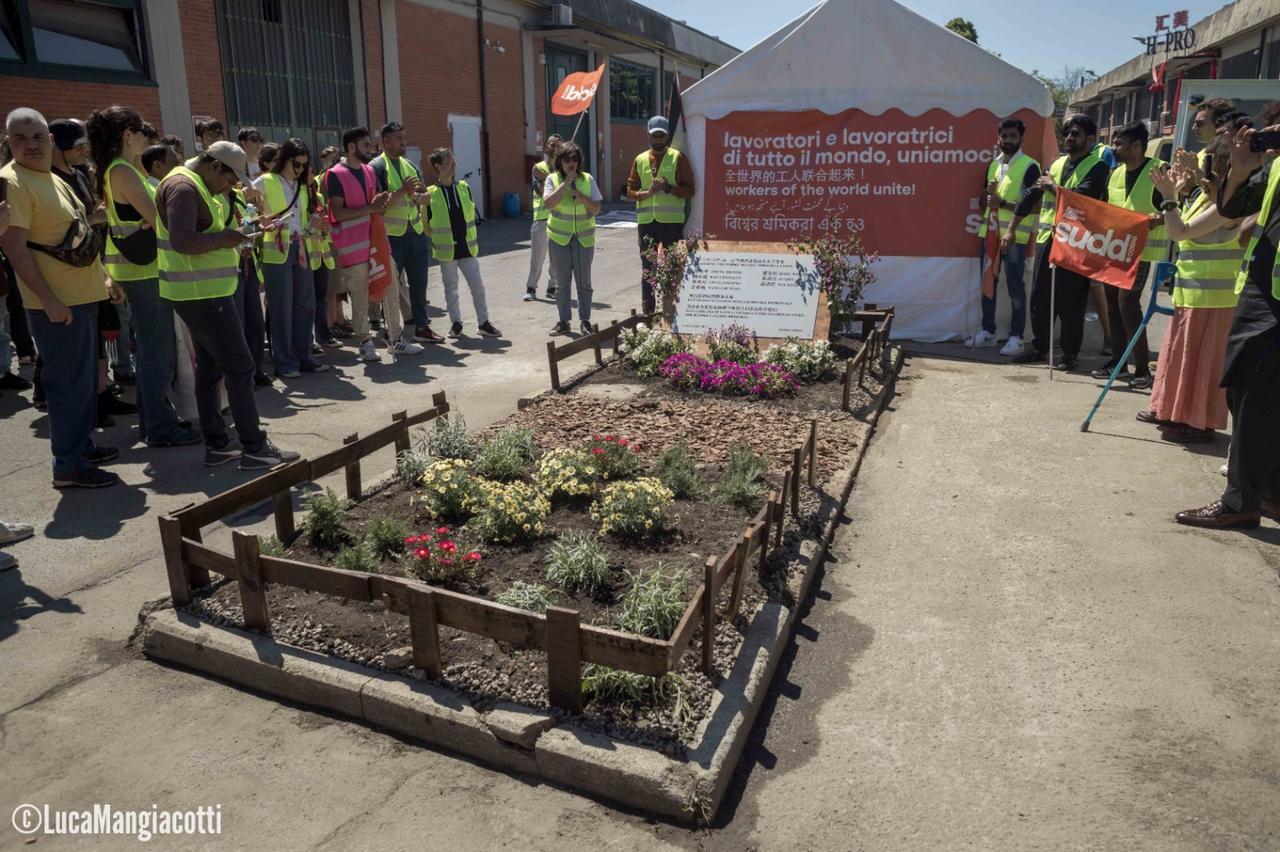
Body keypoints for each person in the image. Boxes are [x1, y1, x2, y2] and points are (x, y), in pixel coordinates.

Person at [155, 140, 298, 470]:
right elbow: (184, 241)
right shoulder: (184, 187)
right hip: (202, 294)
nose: (229, 187)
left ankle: (219, 445)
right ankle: (254, 447)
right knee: (241, 366)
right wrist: (230, 238)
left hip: (200, 292)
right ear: (214, 165)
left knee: (211, 369)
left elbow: (202, 233)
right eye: (229, 179)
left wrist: (238, 232)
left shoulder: (191, 183)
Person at [0, 108, 120, 488]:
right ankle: (68, 465)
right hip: (57, 306)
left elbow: (79, 231)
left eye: (37, 137)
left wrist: (104, 277)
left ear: (51, 141)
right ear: (9, 144)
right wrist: (50, 300)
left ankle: (80, 448)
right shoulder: (12, 182)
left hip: (82, 298)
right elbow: (15, 248)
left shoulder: (52, 178)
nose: (31, 145)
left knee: (84, 382)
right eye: (20, 138)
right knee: (67, 386)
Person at [1176, 108, 1280, 528]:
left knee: (1255, 394)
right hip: (1262, 292)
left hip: (1270, 306)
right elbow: (1235, 205)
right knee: (1248, 392)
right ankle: (1268, 494)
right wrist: (1239, 170)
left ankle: (1241, 501)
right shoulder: (1273, 168)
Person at [89, 106, 200, 447]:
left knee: (155, 348)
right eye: (139, 132)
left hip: (137, 268)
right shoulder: (122, 171)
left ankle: (157, 421)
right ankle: (159, 426)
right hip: (143, 270)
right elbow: (158, 218)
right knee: (157, 350)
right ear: (128, 135)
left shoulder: (117, 169)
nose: (143, 138)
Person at [1140, 139, 1243, 443]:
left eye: (1208, 166)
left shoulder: (1229, 205)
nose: (1201, 172)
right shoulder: (1208, 199)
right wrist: (1181, 192)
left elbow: (1179, 231)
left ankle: (1199, 421)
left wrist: (1169, 198)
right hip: (1192, 295)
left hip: (1215, 300)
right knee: (1180, 357)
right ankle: (1173, 410)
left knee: (1202, 365)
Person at [1011, 114, 1112, 371]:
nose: (1069, 138)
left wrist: (1052, 187)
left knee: (1071, 301)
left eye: (1075, 133)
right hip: (1049, 240)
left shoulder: (1097, 167)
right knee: (1040, 298)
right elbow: (1032, 193)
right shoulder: (1057, 164)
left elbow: (1082, 198)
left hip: (1077, 244)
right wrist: (1012, 226)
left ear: (1090, 139)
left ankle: (1070, 354)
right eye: (1067, 133)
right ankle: (1039, 347)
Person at [327, 126, 420, 360]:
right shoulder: (335, 174)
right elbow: (337, 213)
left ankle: (396, 339)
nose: (370, 148)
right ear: (351, 147)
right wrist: (371, 207)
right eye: (365, 145)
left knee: (391, 285)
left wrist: (390, 198)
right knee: (359, 295)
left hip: (376, 240)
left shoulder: (369, 171)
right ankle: (365, 341)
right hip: (352, 246)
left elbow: (380, 204)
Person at [1098, 121, 1167, 389]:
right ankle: (1118, 363)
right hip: (1115, 250)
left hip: (1143, 252)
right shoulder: (1115, 174)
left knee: (1128, 304)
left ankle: (1141, 369)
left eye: (1119, 144)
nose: (1115, 148)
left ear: (1137, 145)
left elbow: (1179, 207)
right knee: (1113, 304)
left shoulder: (1159, 171)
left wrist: (1158, 219)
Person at [259, 137, 330, 378]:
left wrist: (312, 225)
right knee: (281, 308)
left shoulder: (301, 187)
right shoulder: (265, 181)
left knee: (305, 304)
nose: (300, 170)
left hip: (301, 247)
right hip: (276, 252)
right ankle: (285, 361)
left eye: (304, 165)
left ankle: (304, 356)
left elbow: (301, 220)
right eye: (296, 164)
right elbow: (249, 215)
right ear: (285, 159)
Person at [970, 118, 1039, 355]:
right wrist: (987, 198)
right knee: (988, 282)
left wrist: (1003, 202)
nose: (1007, 141)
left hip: (1015, 236)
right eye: (1004, 136)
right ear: (998, 138)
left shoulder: (1030, 166)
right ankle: (988, 331)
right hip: (989, 234)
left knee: (1015, 287)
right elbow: (984, 203)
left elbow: (1035, 206)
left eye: (1012, 136)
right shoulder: (994, 165)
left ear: (1021, 138)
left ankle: (1017, 336)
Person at [371, 122, 443, 345]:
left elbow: (422, 196)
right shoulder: (376, 167)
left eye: (404, 137)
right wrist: (402, 190)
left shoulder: (410, 165)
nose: (403, 142)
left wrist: (422, 198)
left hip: (416, 232)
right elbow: (378, 206)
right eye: (398, 138)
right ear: (385, 142)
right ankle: (390, 330)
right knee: (390, 286)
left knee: (419, 283)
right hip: (392, 236)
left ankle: (421, 327)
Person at [425, 147, 500, 340]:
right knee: (451, 288)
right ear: (438, 166)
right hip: (446, 251)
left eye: (454, 161)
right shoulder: (430, 194)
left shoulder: (464, 188)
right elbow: (425, 225)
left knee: (478, 286)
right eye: (449, 162)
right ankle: (456, 324)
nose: (454, 165)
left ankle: (484, 323)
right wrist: (440, 239)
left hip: (467, 248)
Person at [627, 115, 695, 315]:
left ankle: (673, 311)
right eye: (655, 136)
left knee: (674, 268)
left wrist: (668, 187)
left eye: (661, 136)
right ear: (649, 135)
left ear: (667, 137)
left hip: (671, 224)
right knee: (648, 269)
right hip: (647, 223)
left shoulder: (677, 157)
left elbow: (690, 190)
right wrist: (645, 194)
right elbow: (630, 191)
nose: (658, 140)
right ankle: (648, 313)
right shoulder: (639, 160)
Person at [543, 141, 601, 336]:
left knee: (584, 283)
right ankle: (564, 321)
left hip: (583, 239)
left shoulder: (587, 179)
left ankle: (585, 320)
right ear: (560, 161)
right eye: (567, 159)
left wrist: (582, 196)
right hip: (559, 239)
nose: (571, 163)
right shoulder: (552, 179)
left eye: (575, 159)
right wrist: (566, 183)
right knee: (562, 283)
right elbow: (548, 204)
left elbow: (596, 209)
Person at [525, 133, 562, 301]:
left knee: (556, 257)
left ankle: (552, 287)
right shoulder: (538, 167)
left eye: (557, 145)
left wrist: (551, 179)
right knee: (537, 257)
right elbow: (540, 191)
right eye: (551, 144)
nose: (554, 147)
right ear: (547, 147)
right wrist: (553, 180)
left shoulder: (564, 169)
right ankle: (531, 288)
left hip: (559, 218)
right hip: (541, 218)